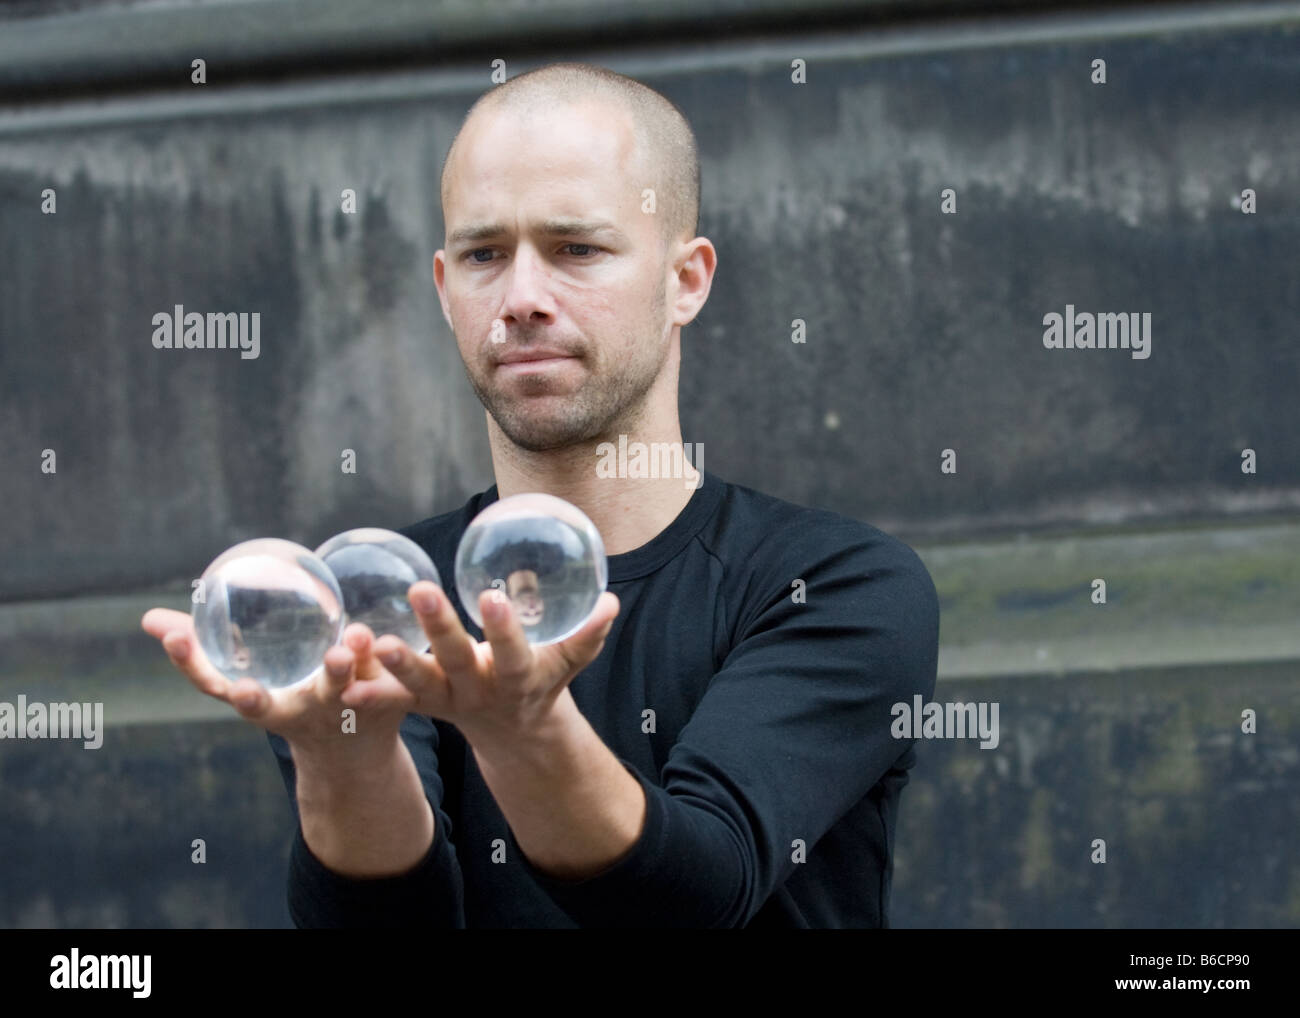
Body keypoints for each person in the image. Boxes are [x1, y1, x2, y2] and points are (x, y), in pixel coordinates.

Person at [142, 62, 940, 928]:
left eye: (576, 250)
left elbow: (701, 888)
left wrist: (521, 730)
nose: (522, 298)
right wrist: (344, 754)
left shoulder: (835, 585)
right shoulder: (383, 598)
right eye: (486, 254)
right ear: (446, 292)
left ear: (686, 280)